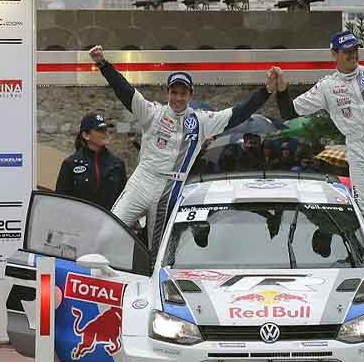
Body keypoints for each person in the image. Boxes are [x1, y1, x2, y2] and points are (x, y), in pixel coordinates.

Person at [89, 45, 274, 248]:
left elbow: (238, 114)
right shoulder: (152, 112)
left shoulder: (201, 120)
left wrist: (265, 91)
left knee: (157, 251)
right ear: (167, 92)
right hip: (143, 181)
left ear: (190, 95)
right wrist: (103, 64)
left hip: (170, 188)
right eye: (174, 92)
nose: (178, 97)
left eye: (183, 93)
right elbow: (125, 91)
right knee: (107, 234)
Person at [272, 26, 364, 231]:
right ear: (334, 54)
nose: (353, 55)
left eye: (355, 50)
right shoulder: (326, 86)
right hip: (357, 147)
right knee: (363, 216)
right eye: (347, 51)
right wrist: (282, 88)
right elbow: (288, 112)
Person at [55, 111, 128, 211]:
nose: (106, 133)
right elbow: (60, 202)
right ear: (86, 135)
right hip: (78, 219)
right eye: (100, 130)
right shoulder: (70, 164)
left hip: (108, 220)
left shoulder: (117, 165)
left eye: (106, 129)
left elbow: (123, 202)